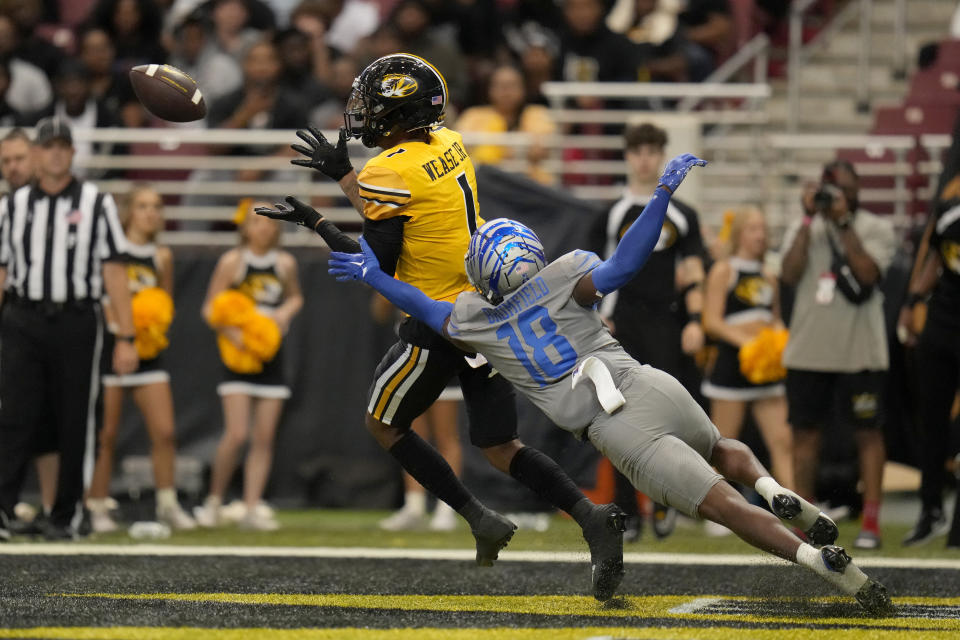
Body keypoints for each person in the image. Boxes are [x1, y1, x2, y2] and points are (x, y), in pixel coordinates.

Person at [327, 154, 894, 617]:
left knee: (722, 505)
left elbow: (421, 304)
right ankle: (772, 487)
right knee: (721, 448)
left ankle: (818, 563)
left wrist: (372, 272)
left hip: (614, 425)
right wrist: (662, 196)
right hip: (645, 382)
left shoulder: (478, 320)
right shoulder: (567, 274)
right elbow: (626, 264)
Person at [256, 53, 626, 601]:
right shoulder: (449, 142)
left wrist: (314, 220)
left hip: (439, 320)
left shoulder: (389, 171)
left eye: (374, 105)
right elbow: (404, 212)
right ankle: (589, 515)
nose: (364, 115)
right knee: (501, 444)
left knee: (382, 424)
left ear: (399, 114)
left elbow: (373, 262)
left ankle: (478, 517)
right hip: (488, 311)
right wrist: (344, 176)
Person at [0, 117, 137, 541]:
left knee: (76, 419)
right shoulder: (13, 206)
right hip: (22, 318)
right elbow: (2, 270)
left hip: (77, 319)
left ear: (72, 152)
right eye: (49, 146)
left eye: (63, 146)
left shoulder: (98, 202)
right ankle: (3, 512)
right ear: (38, 153)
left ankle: (66, 516)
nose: (56, 153)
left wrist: (127, 336)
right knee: (14, 418)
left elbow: (115, 270)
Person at [589, 122, 705, 541]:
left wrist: (695, 321)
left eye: (652, 151)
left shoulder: (683, 215)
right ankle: (626, 509)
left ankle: (662, 503)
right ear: (627, 156)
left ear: (661, 157)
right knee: (617, 417)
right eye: (637, 150)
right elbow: (590, 270)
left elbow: (693, 273)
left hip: (667, 323)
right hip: (620, 324)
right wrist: (596, 317)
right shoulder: (611, 214)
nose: (644, 159)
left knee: (666, 417)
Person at [780, 160, 896, 550]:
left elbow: (868, 274)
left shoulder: (876, 228)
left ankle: (872, 521)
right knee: (804, 435)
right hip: (809, 350)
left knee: (868, 434)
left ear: (857, 190)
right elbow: (789, 273)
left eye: (844, 190)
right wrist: (809, 217)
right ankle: (805, 520)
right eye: (831, 189)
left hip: (860, 351)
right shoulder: (807, 227)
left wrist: (844, 223)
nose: (836, 196)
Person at [86, 184, 197, 534]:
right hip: (113, 350)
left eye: (157, 207)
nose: (151, 213)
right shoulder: (110, 251)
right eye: (144, 206)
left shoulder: (162, 255)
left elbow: (164, 304)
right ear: (129, 212)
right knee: (106, 434)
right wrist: (124, 334)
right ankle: (97, 505)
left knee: (165, 432)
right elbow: (101, 300)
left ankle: (167, 503)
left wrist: (149, 332)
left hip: (150, 355)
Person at [194, 200, 303, 531]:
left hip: (271, 356)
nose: (264, 228)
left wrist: (284, 313)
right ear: (245, 227)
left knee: (264, 436)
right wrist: (233, 333)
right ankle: (213, 501)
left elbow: (296, 297)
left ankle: (252, 506)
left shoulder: (285, 263)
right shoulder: (233, 261)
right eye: (258, 222)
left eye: (271, 222)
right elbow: (209, 308)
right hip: (238, 357)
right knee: (237, 433)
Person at [702, 207, 793, 488]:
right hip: (732, 363)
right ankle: (717, 510)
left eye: (763, 229)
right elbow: (711, 322)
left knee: (783, 440)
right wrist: (746, 341)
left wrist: (777, 339)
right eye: (753, 229)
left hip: (766, 368)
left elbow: (775, 318)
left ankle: (799, 505)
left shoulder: (769, 274)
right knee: (724, 443)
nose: (760, 235)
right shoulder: (724, 270)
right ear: (740, 234)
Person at [0, 127, 57, 524]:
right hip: (12, 321)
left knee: (47, 418)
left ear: (35, 158)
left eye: (19, 158)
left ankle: (55, 509)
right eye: (5, 161)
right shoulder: (8, 208)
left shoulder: (54, 206)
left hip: (39, 322)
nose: (13, 167)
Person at [898, 197, 960, 547]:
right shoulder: (951, 208)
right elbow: (935, 256)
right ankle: (930, 509)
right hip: (942, 320)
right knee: (931, 419)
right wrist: (911, 303)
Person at [456, 64, 557, 186]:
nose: (506, 91)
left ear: (523, 88)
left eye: (512, 85)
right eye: (500, 85)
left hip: (529, 184)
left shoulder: (536, 113)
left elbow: (540, 150)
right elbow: (459, 149)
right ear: (489, 89)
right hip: (484, 185)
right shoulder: (473, 115)